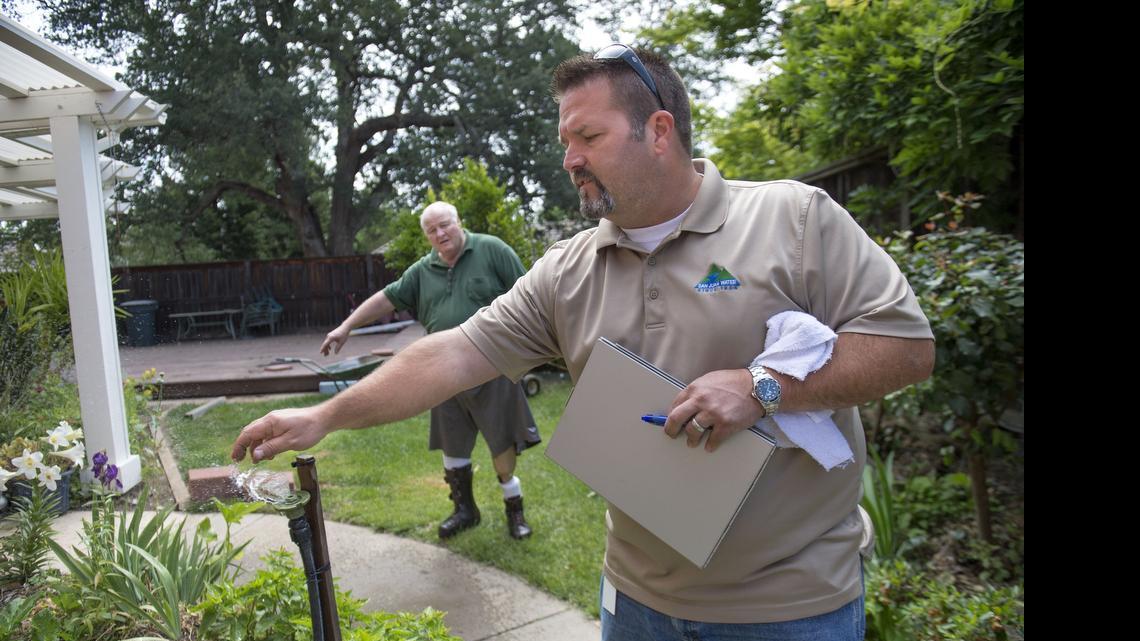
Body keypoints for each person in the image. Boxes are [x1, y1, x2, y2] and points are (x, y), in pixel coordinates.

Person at [234, 44, 935, 640]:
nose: (569, 158)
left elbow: (906, 347)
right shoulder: (568, 269)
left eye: (588, 138)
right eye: (565, 140)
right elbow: (451, 352)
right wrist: (322, 416)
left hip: (788, 607)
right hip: (636, 602)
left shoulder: (792, 218)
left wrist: (763, 387)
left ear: (658, 131)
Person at [319, 201, 541, 540]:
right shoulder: (422, 271)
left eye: (445, 225)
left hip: (493, 368)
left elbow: (530, 293)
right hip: (442, 374)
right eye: (432, 230)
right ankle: (464, 510)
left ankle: (514, 507)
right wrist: (346, 326)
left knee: (502, 446)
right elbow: (386, 298)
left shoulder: (492, 250)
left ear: (459, 221)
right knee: (452, 446)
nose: (440, 234)